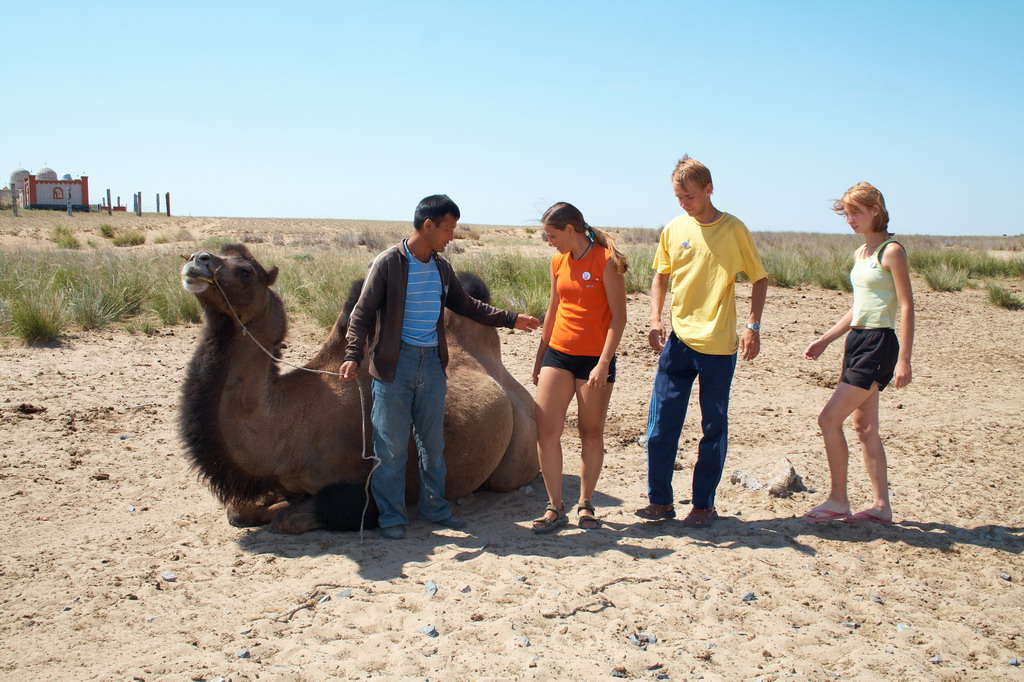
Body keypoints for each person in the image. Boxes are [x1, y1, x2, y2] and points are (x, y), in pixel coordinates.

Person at [339, 194, 541, 540]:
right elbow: (362, 313)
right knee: (390, 447)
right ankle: (391, 517)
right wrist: (352, 353)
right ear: (428, 225)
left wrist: (511, 319)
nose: (451, 236)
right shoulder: (387, 264)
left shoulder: (441, 268)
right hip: (393, 367)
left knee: (432, 445)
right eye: (448, 229)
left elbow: (468, 306)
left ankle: (435, 509)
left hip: (432, 364)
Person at [636, 155, 769, 528]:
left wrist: (753, 325)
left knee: (713, 428)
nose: (684, 204)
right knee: (661, 426)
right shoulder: (674, 228)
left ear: (709, 189)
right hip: (677, 343)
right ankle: (660, 501)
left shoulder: (734, 229)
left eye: (690, 196)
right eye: (678, 197)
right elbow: (661, 276)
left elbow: (759, 278)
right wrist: (655, 318)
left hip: (718, 347)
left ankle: (703, 505)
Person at [800, 182, 914, 525]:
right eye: (847, 214)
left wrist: (904, 359)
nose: (850, 219)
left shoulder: (891, 251)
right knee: (865, 428)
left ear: (875, 211)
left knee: (828, 419)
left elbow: (906, 306)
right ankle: (881, 507)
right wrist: (826, 339)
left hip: (879, 342)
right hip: (858, 340)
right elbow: (859, 307)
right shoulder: (861, 253)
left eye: (856, 213)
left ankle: (838, 499)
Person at [529, 202, 628, 533]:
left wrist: (603, 363)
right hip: (558, 354)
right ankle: (554, 506)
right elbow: (553, 310)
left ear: (570, 230)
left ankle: (586, 504)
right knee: (546, 430)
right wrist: (541, 356)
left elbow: (618, 318)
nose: (550, 243)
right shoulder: (558, 262)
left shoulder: (605, 261)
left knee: (590, 432)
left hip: (594, 361)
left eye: (552, 236)